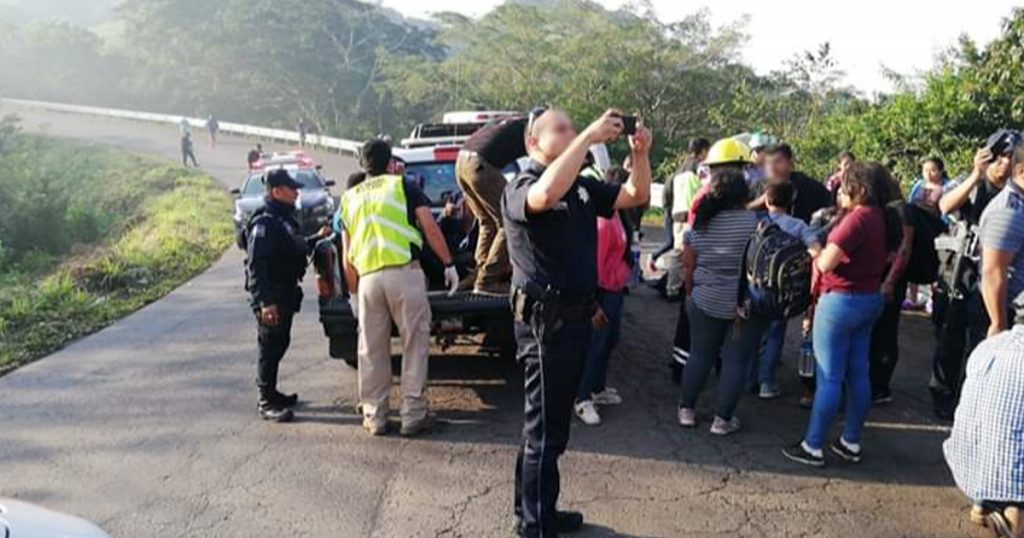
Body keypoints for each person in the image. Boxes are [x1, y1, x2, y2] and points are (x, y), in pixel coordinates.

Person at [503, 107, 651, 537]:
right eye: (561, 129)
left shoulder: (583, 188)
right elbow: (543, 199)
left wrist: (640, 153)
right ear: (534, 142)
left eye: (573, 127)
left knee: (548, 428)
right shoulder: (523, 185)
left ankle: (536, 512)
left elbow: (635, 195)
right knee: (544, 432)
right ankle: (535, 524)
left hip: (576, 320)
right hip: (545, 327)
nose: (571, 133)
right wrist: (587, 137)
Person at [782, 162, 902, 467]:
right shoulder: (883, 218)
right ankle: (850, 440)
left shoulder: (856, 220)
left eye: (845, 186)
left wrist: (814, 253)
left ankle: (814, 445)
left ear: (860, 190)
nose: (839, 192)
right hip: (868, 299)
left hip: (840, 303)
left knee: (830, 376)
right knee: (858, 373)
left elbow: (825, 264)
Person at [338, 138, 459, 437]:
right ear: (390, 162)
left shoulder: (349, 198)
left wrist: (353, 293)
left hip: (367, 279)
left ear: (362, 165)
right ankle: (413, 415)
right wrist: (448, 263)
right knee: (414, 344)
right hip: (403, 273)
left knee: (371, 348)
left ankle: (375, 417)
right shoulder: (402, 186)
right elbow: (429, 226)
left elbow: (346, 252)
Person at [931, 130, 1017, 419]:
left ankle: (972, 399)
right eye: (998, 157)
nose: (1003, 164)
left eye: (1009, 157)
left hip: (994, 276)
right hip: (962, 273)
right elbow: (944, 206)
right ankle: (943, 395)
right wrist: (975, 175)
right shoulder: (972, 183)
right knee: (951, 336)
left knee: (983, 341)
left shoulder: (1015, 191)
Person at [677, 169, 768, 435]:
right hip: (745, 304)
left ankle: (686, 410)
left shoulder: (702, 223)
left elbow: (688, 265)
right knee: (736, 362)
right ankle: (722, 419)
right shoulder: (756, 224)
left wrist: (691, 293)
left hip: (705, 299)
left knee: (700, 355)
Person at [244, 169, 331, 422]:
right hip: (271, 294)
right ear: (276, 191)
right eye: (291, 188)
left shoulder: (281, 219)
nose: (296, 192)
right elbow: (256, 264)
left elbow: (294, 245)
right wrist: (265, 302)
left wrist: (316, 238)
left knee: (280, 342)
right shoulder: (264, 222)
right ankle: (265, 400)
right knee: (269, 345)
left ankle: (272, 392)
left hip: (285, 290)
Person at [944, 291, 1024, 536]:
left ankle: (984, 501)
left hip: (967, 465)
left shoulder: (992, 344)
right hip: (1011, 479)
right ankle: (1015, 515)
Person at [670, 138, 749, 381]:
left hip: (700, 278)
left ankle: (684, 371)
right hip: (711, 279)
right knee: (699, 335)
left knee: (693, 330)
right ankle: (686, 372)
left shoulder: (710, 194)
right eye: (743, 168)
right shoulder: (714, 197)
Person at [748, 180, 821, 400]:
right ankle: (767, 382)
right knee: (775, 335)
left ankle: (748, 379)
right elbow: (816, 250)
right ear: (791, 201)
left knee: (752, 334)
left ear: (766, 199)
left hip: (755, 285)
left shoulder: (757, 222)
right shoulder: (798, 225)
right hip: (782, 291)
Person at [574, 166, 634, 426]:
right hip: (602, 290)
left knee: (610, 340)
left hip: (615, 288)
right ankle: (582, 398)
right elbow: (594, 265)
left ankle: (597, 389)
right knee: (596, 344)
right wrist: (593, 304)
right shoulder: (604, 222)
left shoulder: (619, 216)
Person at [455, 116, 527, 295]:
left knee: (486, 220)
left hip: (461, 162)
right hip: (479, 164)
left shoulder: (510, 122)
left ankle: (480, 270)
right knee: (508, 219)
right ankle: (488, 279)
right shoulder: (534, 129)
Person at [866, 180, 915, 405]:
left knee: (885, 330)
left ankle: (880, 386)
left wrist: (890, 281)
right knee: (877, 330)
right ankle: (874, 382)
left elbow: (904, 249)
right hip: (881, 276)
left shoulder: (899, 209)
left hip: (891, 279)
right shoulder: (886, 208)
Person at [980, 137, 1024, 339]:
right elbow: (993, 272)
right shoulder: (1008, 211)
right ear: (1021, 171)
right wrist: (999, 324)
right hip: (1016, 318)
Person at [650, 138, 710, 274]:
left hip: (677, 214)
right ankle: (687, 288)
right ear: (703, 151)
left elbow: (667, 190)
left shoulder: (680, 168)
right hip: (692, 214)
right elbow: (708, 186)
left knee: (678, 254)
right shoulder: (701, 166)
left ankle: (673, 288)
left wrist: (669, 210)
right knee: (693, 254)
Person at [903, 157, 957, 310]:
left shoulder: (947, 186)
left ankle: (934, 299)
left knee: (936, 264)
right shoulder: (918, 186)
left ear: (941, 171)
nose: (929, 174)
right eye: (925, 170)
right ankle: (912, 298)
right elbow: (910, 204)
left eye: (933, 170)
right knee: (913, 261)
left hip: (937, 230)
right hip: (917, 229)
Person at [752, 143, 833, 224]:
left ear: (790, 164)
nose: (772, 168)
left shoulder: (809, 187)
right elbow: (742, 212)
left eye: (777, 162)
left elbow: (830, 208)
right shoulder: (757, 187)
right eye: (768, 163)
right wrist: (761, 201)